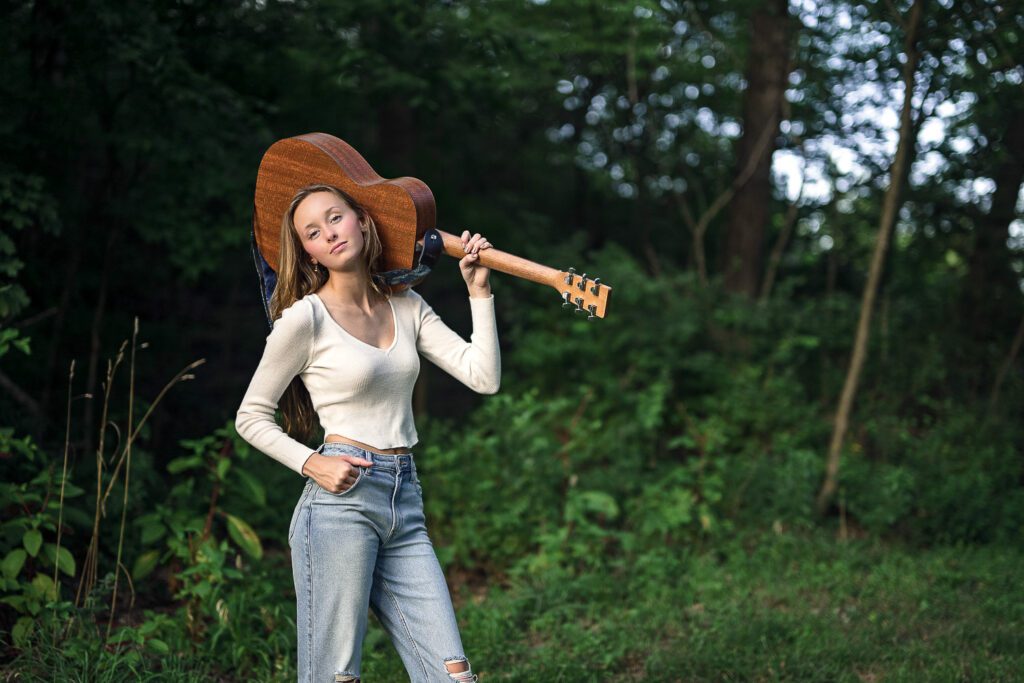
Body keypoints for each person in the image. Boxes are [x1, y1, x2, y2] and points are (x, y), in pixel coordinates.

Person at [235, 183, 499, 683]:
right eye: (313, 232)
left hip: (405, 499)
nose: (329, 234)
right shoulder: (304, 318)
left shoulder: (406, 305)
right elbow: (250, 416)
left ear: (362, 218)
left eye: (335, 218)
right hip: (341, 505)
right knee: (336, 677)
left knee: (454, 675)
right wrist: (312, 463)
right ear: (308, 252)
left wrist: (478, 292)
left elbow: (482, 377)